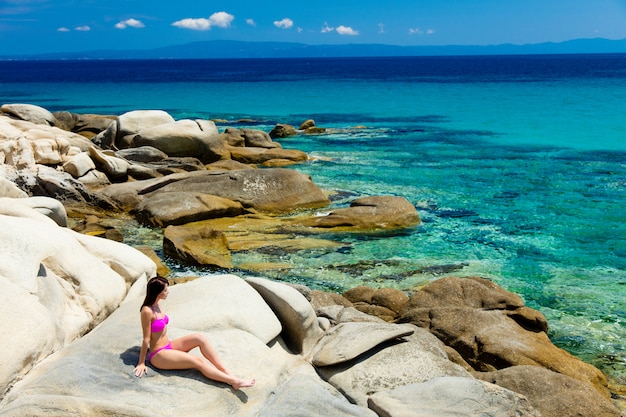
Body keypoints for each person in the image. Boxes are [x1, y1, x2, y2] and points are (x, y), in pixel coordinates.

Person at [133, 276, 255, 390]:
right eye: (165, 290)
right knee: (198, 361)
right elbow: (146, 339)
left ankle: (223, 370)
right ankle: (234, 381)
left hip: (169, 346)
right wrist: (141, 363)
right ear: (157, 292)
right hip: (159, 355)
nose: (168, 292)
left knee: (199, 337)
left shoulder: (158, 304)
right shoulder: (147, 311)